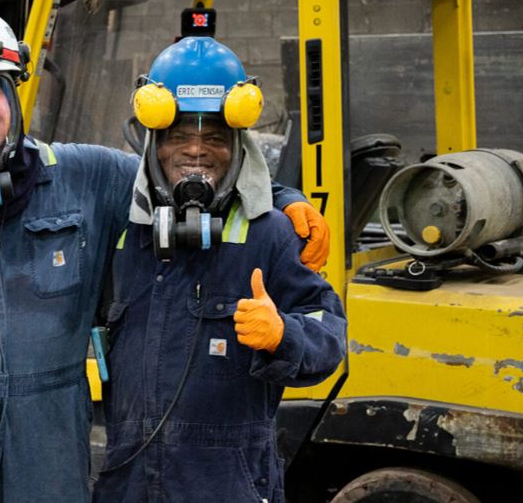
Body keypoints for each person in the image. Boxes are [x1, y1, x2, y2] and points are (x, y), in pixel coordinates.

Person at [0, 5, 329, 502]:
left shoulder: (86, 176)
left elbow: (182, 175)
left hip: (45, 451)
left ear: (14, 96)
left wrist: (281, 199)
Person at [90, 37, 347, 502]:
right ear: (153, 144)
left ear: (238, 146)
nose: (196, 150)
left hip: (229, 487)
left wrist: (283, 334)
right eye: (179, 136)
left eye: (213, 137)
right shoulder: (122, 233)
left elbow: (329, 336)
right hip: (129, 483)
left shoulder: (269, 234)